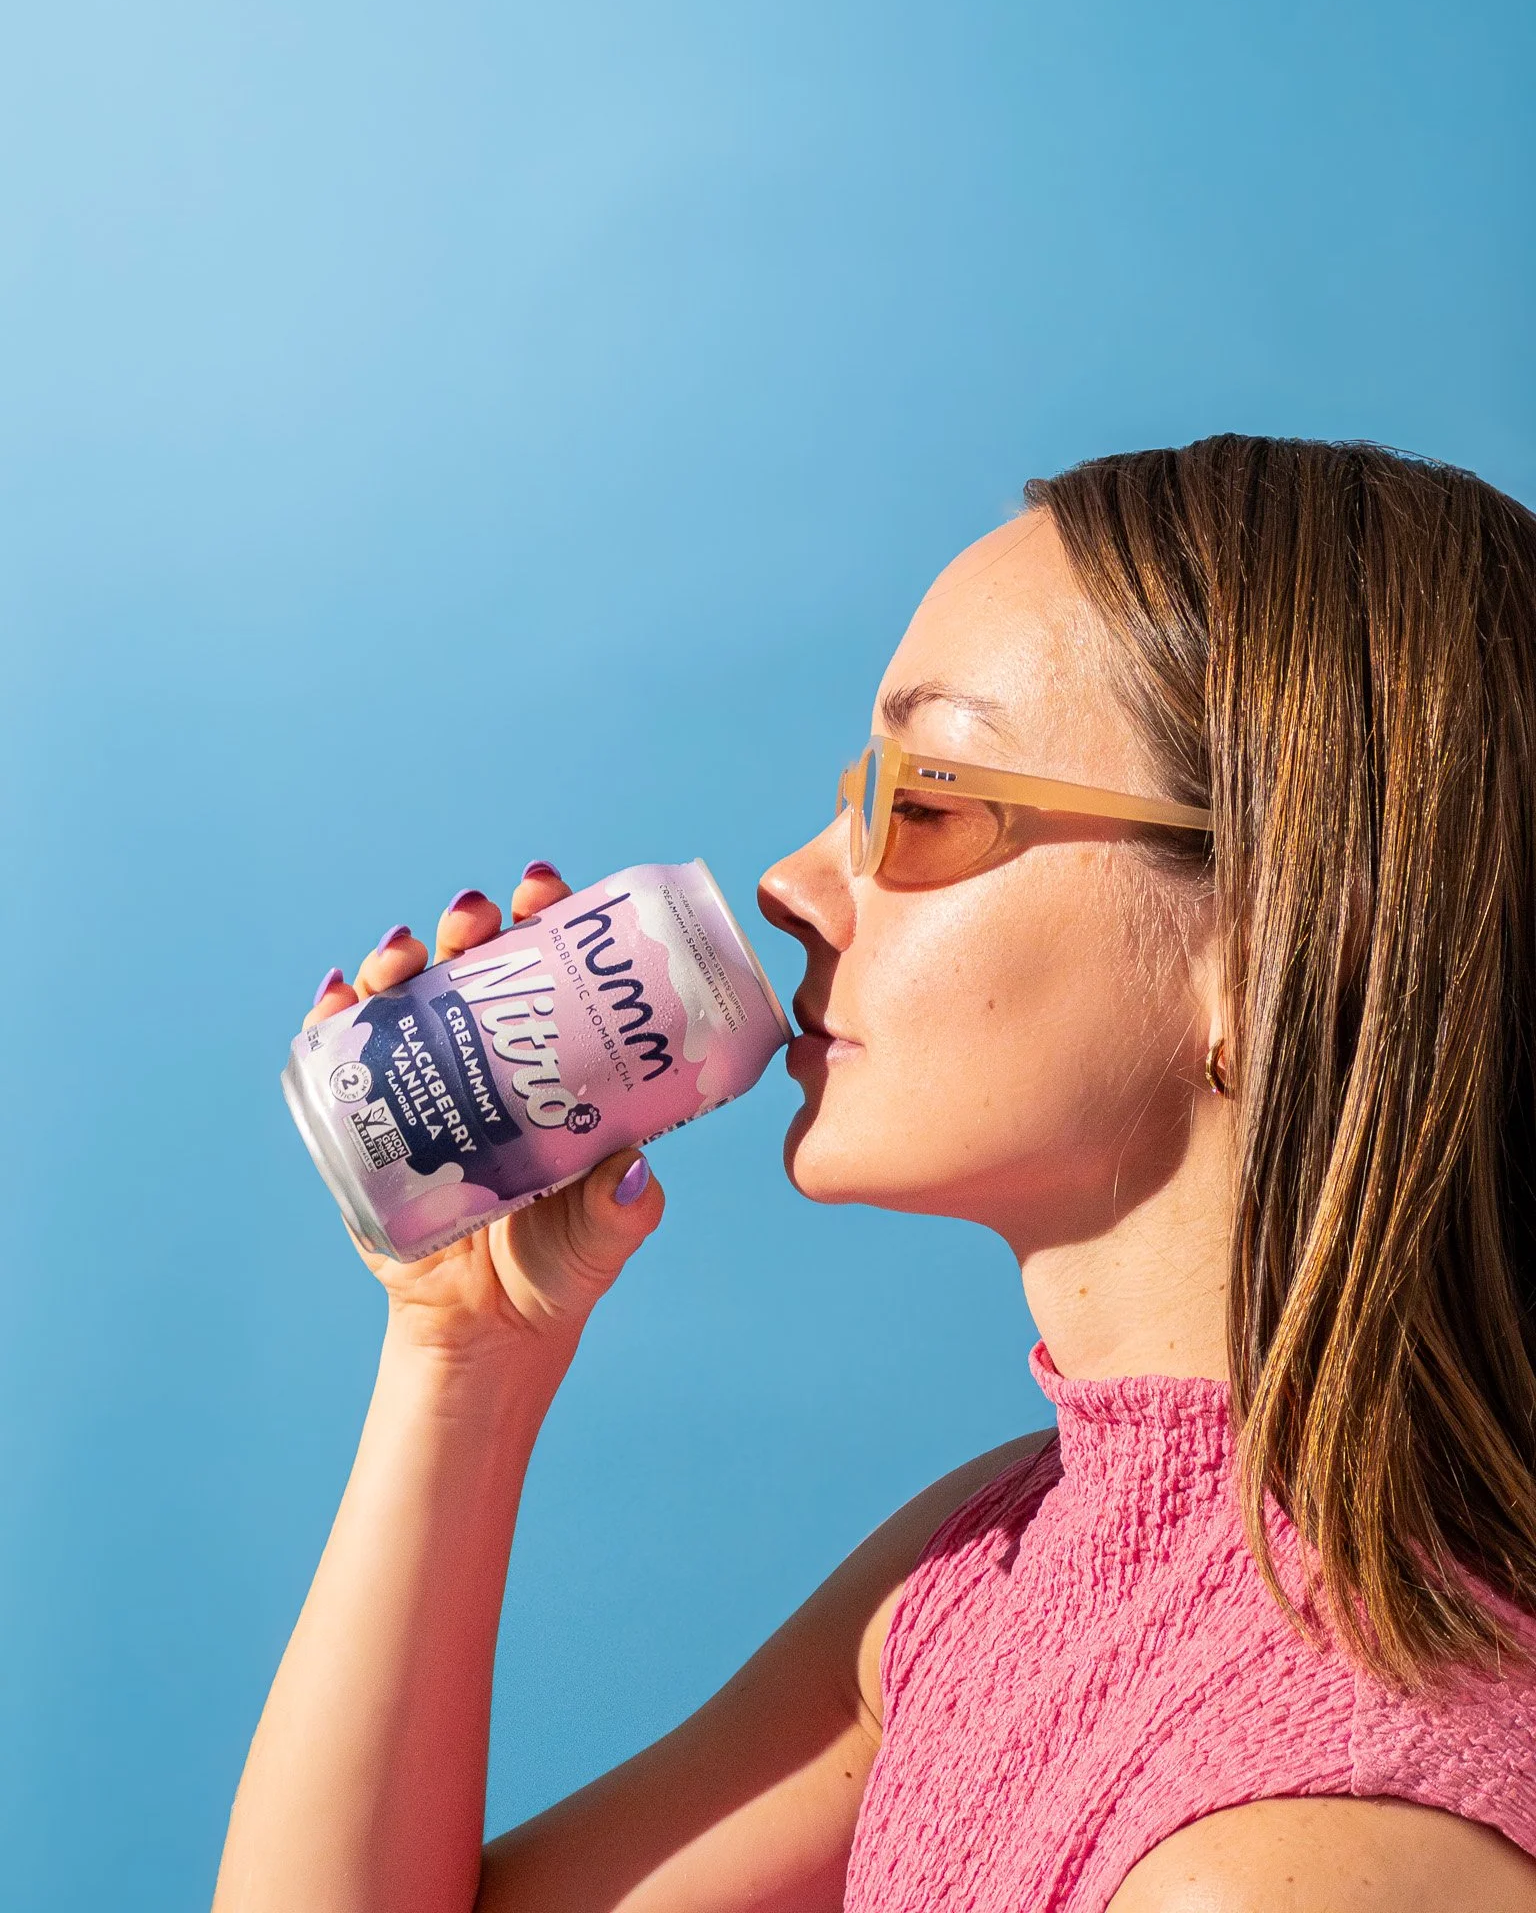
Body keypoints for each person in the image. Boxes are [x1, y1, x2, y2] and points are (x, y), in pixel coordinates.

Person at [212, 436, 1536, 1913]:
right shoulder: (997, 1560)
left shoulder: (1296, 1855)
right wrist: (463, 1358)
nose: (788, 883)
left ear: (1274, 949)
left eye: (927, 797)